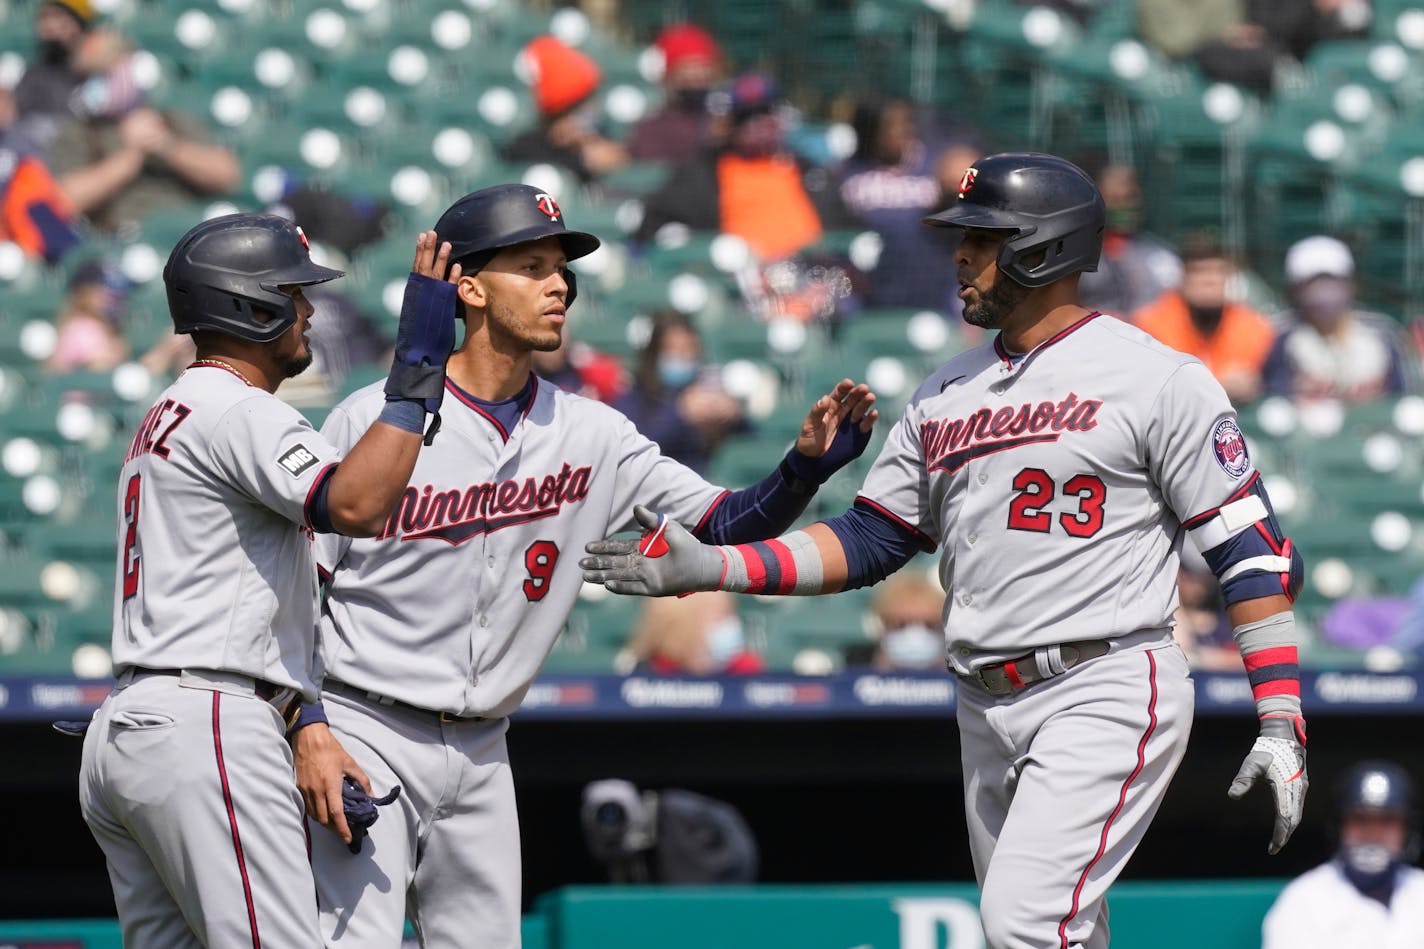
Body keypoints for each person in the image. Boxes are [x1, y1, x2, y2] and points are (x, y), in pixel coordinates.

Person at [581, 152, 1310, 949]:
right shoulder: (944, 393)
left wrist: (1281, 716)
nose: (959, 255)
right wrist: (713, 566)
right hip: (982, 702)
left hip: (1101, 681)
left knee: (1024, 925)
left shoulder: (1155, 377)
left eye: (981, 238)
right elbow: (869, 540)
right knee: (1067, 931)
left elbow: (1254, 550)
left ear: (1043, 247)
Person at [290, 183, 880, 949]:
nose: (559, 283)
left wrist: (799, 474)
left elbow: (721, 523)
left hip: (483, 746)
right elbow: (298, 589)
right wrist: (309, 725)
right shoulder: (375, 418)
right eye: (531, 266)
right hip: (365, 722)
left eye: (563, 269)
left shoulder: (592, 431)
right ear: (467, 286)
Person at [75, 213, 462, 946]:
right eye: (294, 293)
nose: (309, 311)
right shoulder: (237, 408)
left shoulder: (170, 407)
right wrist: (416, 372)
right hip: (207, 717)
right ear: (250, 305)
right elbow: (355, 503)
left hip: (131, 726)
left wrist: (304, 718)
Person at [48, 30, 241, 236]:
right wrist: (131, 156)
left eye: (104, 74)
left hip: (185, 234)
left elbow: (227, 175)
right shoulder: (78, 132)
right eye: (87, 77)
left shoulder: (171, 120)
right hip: (123, 236)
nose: (95, 83)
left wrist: (165, 146)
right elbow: (65, 200)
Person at [1263, 760, 1424, 947]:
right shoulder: (1303, 900)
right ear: (1339, 828)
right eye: (1360, 820)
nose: (1372, 834)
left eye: (1387, 821)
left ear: (1407, 830)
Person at [837, 95, 973, 313]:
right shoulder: (846, 171)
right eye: (891, 125)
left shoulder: (937, 164)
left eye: (906, 122)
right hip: (869, 287)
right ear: (871, 130)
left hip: (932, 282)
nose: (903, 131)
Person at [1262, 235, 1414, 402]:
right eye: (1312, 283)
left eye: (1331, 280)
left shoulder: (1383, 332)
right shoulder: (1277, 335)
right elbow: (1273, 402)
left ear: (1351, 283)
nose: (1323, 292)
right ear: (1295, 289)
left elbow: (1404, 398)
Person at [1131, 233, 1276, 405]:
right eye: (1199, 271)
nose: (1210, 280)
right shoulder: (1150, 325)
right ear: (1182, 278)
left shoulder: (1253, 327)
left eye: (1219, 271)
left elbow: (1273, 390)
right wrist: (1219, 387)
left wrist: (1255, 386)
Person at [613, 309, 748, 473]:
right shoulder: (634, 397)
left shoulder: (707, 389)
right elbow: (639, 442)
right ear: (654, 354)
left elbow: (753, 440)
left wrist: (733, 416)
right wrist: (681, 413)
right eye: (672, 350)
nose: (683, 356)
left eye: (689, 350)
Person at [502, 35, 629, 185]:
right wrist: (582, 162)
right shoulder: (526, 147)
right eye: (576, 108)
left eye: (588, 101)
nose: (590, 111)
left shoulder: (608, 135)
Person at [1077, 161, 1181, 319]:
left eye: (1130, 198)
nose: (1124, 206)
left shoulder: (1160, 257)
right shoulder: (1076, 256)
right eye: (1115, 199)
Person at [0, 85, 82, 263]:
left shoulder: (23, 145)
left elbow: (47, 203)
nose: (3, 104)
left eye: (5, 98)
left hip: (26, 245)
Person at [628, 23, 724, 164]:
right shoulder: (649, 123)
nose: (698, 74)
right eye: (688, 67)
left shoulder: (721, 113)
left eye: (704, 66)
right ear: (667, 74)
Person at [616, 590, 764, 675]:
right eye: (723, 615)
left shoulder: (744, 671)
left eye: (731, 613)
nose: (732, 624)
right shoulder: (646, 677)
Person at [12, 0, 94, 154]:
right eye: (43, 17)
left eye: (57, 16)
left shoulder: (99, 71)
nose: (48, 25)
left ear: (78, 21)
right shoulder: (33, 75)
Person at [844, 568, 947, 671]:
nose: (914, 635)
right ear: (880, 625)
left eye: (929, 625)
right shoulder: (853, 667)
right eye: (901, 624)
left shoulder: (960, 677)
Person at [44, 258, 131, 374]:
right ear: (82, 293)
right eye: (101, 292)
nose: (109, 298)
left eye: (114, 293)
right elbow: (56, 370)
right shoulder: (78, 327)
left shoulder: (108, 327)